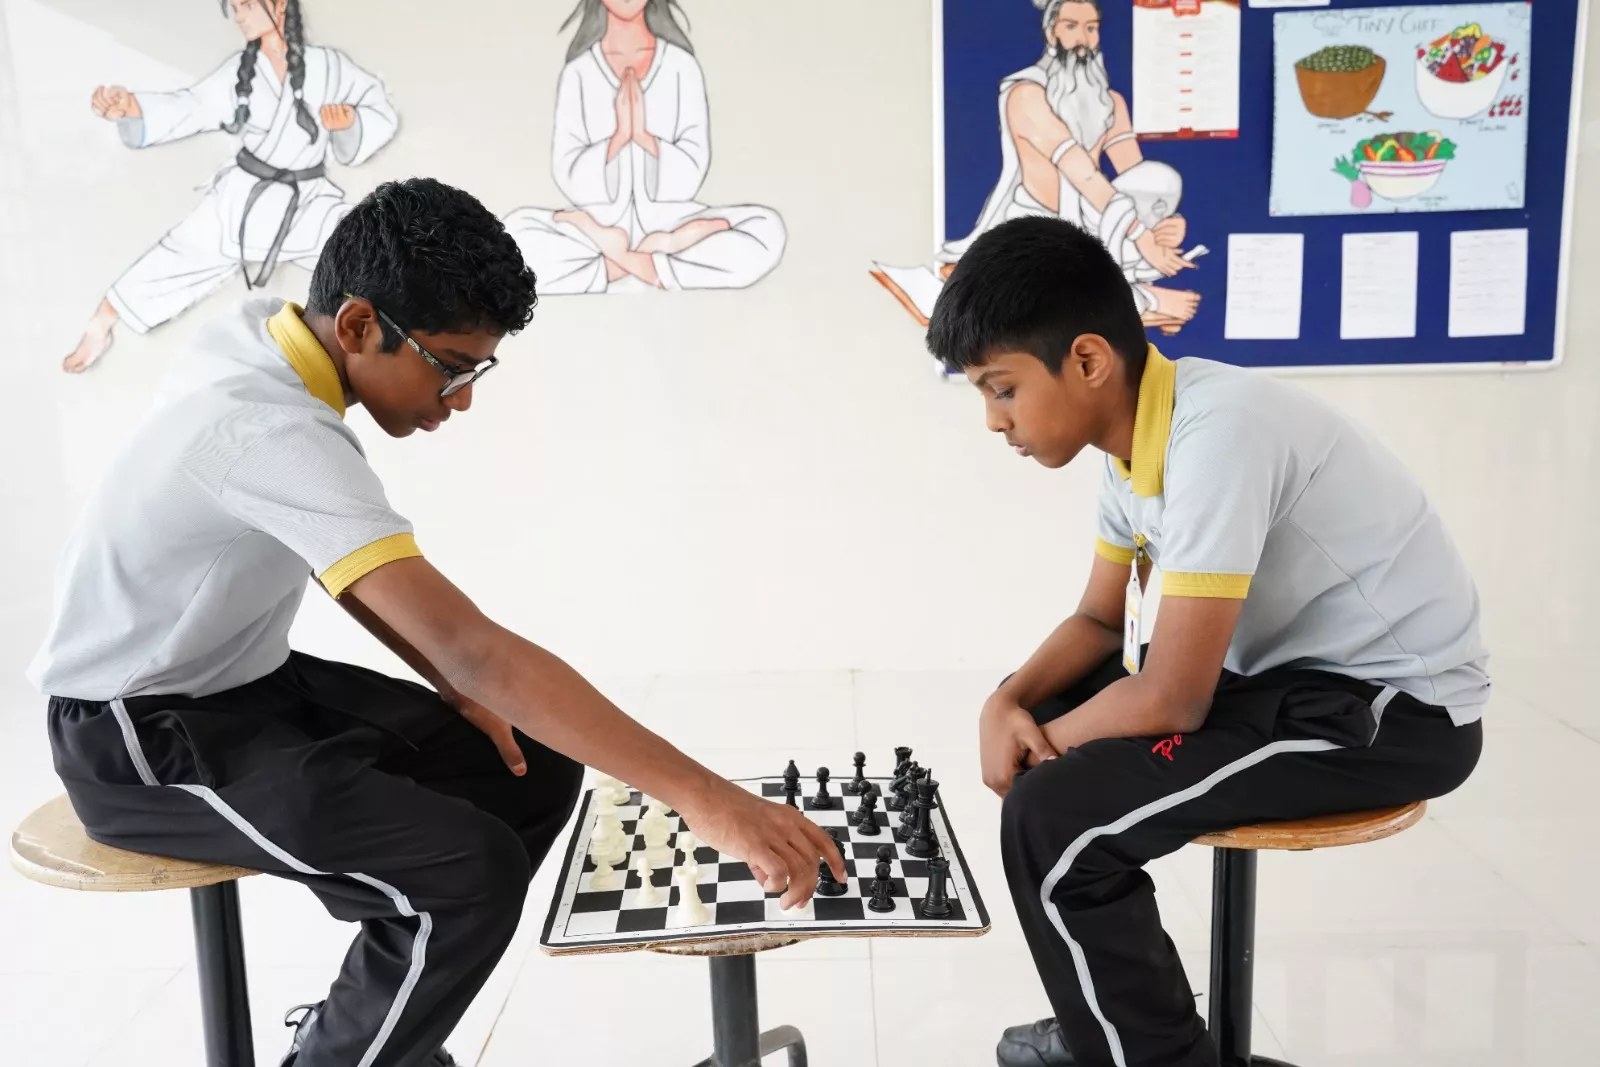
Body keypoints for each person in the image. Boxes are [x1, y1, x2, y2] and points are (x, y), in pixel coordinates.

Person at [31, 178, 841, 1067]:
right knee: (465, 875)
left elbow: (365, 586)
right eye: (450, 365)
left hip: (250, 682)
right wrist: (711, 802)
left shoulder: (265, 335)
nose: (458, 399)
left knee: (528, 767)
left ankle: (376, 1026)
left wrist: (454, 686)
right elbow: (475, 647)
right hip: (134, 734)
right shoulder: (263, 430)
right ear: (357, 325)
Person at [924, 216, 1486, 1067]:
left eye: (1002, 388)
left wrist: (1045, 752)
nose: (994, 421)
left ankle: (1136, 1045)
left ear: (1085, 360)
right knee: (1049, 707)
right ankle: (1119, 1025)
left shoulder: (1220, 431)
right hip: (1293, 680)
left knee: (1054, 815)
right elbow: (1102, 623)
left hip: (1393, 712)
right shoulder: (1130, 448)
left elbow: (1173, 695)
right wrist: (1008, 703)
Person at [63, 0, 398, 373]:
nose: (239, 15)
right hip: (245, 196)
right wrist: (133, 110)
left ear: (280, 6)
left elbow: (377, 109)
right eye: (235, 7)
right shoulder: (241, 72)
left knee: (360, 254)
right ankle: (103, 322)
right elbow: (191, 106)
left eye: (247, 5)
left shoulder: (329, 67)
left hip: (306, 199)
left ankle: (396, 341)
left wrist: (349, 123)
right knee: (182, 249)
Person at [874, 0, 1200, 333]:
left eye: (1091, 27)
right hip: (1030, 228)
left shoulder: (1110, 102)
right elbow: (1081, 172)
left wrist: (1165, 221)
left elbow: (1139, 180)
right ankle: (1150, 302)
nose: (1082, 38)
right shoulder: (1026, 94)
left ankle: (1141, 298)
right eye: (1071, 26)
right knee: (1047, 306)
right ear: (1051, 31)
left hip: (1096, 225)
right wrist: (1140, 235)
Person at [500, 0, 785, 294]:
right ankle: (647, 261)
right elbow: (567, 169)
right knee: (514, 233)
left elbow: (694, 166)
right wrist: (619, 139)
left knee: (767, 230)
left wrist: (645, 137)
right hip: (596, 225)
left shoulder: (680, 65)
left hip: (670, 221)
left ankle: (621, 259)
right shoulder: (579, 71)